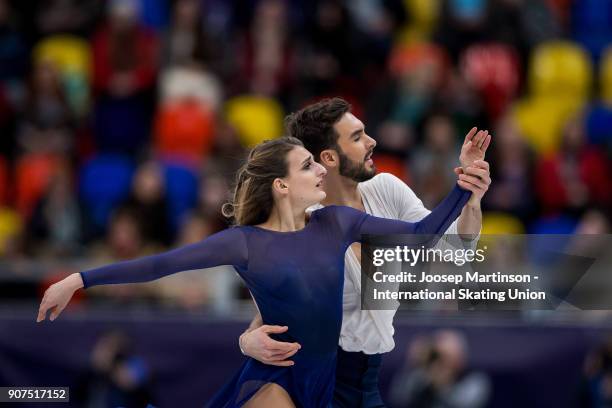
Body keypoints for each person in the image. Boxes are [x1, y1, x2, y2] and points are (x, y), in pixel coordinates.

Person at [37, 137, 475, 407]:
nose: (322, 169)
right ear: (281, 186)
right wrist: (78, 280)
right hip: (275, 379)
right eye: (308, 166)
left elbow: (421, 234)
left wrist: (464, 185)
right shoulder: (245, 242)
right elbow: (159, 265)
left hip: (325, 384)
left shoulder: (337, 223)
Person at [238, 98, 491, 407]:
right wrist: (247, 339)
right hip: (310, 387)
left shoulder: (386, 189)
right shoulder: (298, 226)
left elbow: (457, 250)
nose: (372, 142)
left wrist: (472, 198)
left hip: (364, 386)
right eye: (357, 137)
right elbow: (276, 312)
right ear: (330, 157)